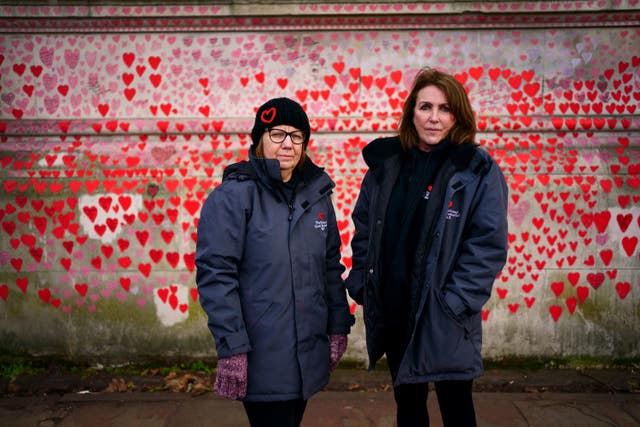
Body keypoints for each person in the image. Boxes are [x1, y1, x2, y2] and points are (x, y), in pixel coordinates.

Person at [345, 67, 508, 426]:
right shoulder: (386, 166)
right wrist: (362, 280)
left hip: (445, 315)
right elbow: (364, 228)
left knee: (457, 409)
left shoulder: (476, 171)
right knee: (409, 409)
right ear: (411, 112)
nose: (434, 118)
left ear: (458, 116)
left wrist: (454, 302)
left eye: (445, 109)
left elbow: (487, 245)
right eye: (425, 107)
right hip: (396, 309)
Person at [196, 97, 354, 427]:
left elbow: (330, 268)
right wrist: (232, 347)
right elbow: (216, 276)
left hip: (307, 357)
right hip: (261, 356)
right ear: (259, 139)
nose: (288, 144)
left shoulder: (317, 196)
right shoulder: (233, 198)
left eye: (296, 136)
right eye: (277, 134)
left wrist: (338, 326)